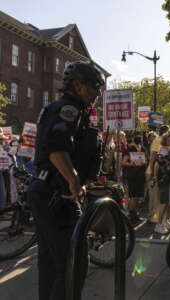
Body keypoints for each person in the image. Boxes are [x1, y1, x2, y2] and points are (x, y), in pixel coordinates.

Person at [28, 61, 104, 300]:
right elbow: (56, 149)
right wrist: (73, 181)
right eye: (94, 86)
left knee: (52, 263)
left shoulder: (79, 113)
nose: (97, 93)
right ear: (78, 84)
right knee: (74, 263)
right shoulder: (67, 109)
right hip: (56, 194)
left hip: (49, 191)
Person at [122, 132, 146, 225]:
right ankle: (132, 216)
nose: (138, 138)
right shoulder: (130, 149)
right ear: (132, 138)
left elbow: (145, 158)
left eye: (139, 136)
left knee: (138, 196)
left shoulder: (143, 148)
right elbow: (123, 162)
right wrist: (131, 164)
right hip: (132, 175)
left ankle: (135, 214)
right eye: (136, 136)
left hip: (141, 175)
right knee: (133, 196)